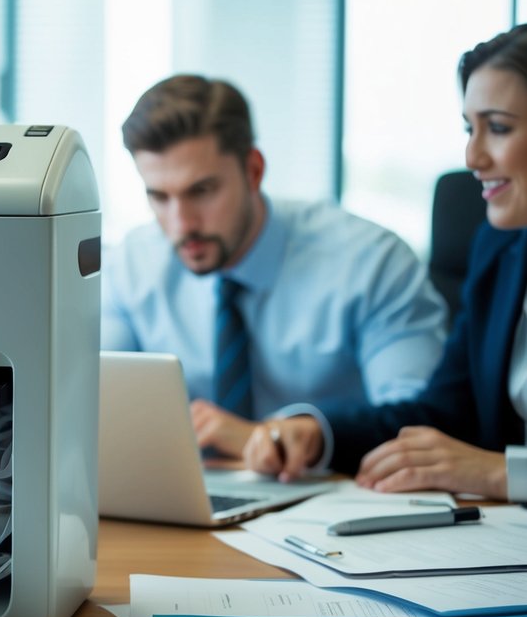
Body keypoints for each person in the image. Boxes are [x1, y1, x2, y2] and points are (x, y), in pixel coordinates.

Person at [246, 23, 527, 503]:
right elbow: (444, 414)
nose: (472, 156)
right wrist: (317, 431)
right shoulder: (499, 251)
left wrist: (504, 474)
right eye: (468, 128)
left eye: (497, 128)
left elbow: (483, 464)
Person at [102, 74, 449, 458]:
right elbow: (86, 398)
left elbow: (423, 427)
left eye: (201, 191)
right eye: (159, 197)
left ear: (253, 170)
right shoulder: (130, 268)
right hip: (191, 500)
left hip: (335, 495)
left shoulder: (371, 264)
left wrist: (277, 436)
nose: (181, 223)